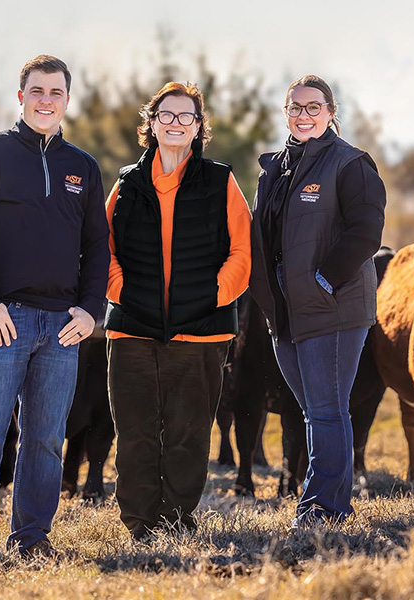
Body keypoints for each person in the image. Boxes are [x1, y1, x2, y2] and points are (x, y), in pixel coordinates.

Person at [0, 55, 109, 564]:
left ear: (66, 99)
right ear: (21, 97)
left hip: (61, 326)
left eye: (55, 92)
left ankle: (33, 536)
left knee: (45, 440)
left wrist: (89, 311)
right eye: (37, 91)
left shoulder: (82, 167)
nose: (45, 100)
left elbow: (98, 246)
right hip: (0, 321)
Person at [104, 82, 251, 540]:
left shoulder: (221, 180)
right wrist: (121, 291)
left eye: (185, 116)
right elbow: (102, 247)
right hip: (132, 331)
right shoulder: (127, 182)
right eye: (166, 114)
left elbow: (242, 253)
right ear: (151, 122)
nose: (175, 123)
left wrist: (212, 295)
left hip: (201, 333)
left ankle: (176, 519)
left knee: (189, 434)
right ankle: (139, 523)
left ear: (198, 128)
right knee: (135, 434)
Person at [249, 74, 386, 527]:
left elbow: (366, 231)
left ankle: (321, 508)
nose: (303, 115)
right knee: (315, 412)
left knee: (327, 410)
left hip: (334, 307)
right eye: (295, 107)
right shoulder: (274, 170)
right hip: (286, 311)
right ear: (285, 113)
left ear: (331, 113)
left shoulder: (350, 164)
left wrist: (326, 281)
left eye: (313, 107)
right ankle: (332, 503)